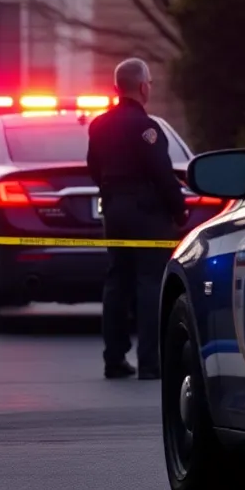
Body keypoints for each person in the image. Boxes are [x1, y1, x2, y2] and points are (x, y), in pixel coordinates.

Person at [87, 58, 187, 380]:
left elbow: (93, 168)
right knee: (149, 283)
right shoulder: (147, 127)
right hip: (146, 213)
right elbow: (161, 173)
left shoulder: (99, 125)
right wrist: (178, 208)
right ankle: (150, 362)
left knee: (117, 282)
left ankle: (113, 359)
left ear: (116, 88)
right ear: (143, 87)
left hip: (113, 209)